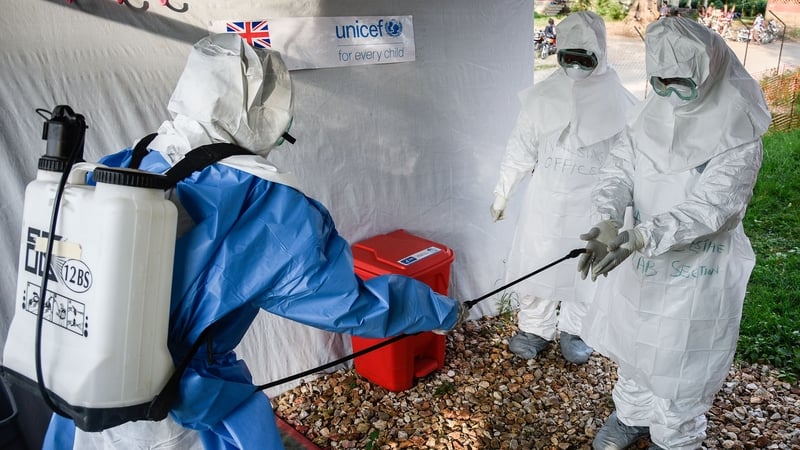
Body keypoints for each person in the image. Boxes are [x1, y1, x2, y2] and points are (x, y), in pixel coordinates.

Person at [42, 33, 467, 450]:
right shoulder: (265, 201)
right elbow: (345, 304)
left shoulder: (132, 159)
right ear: (263, 112)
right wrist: (440, 311)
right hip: (172, 410)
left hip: (83, 383)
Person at [577, 17, 770, 450]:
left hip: (697, 267)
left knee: (684, 360)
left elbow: (714, 207)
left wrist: (644, 236)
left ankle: (675, 438)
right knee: (633, 339)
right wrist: (607, 217)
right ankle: (632, 414)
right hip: (637, 257)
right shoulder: (651, 113)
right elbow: (619, 168)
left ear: (710, 71)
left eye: (680, 82)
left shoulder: (738, 131)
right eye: (659, 81)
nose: (669, 93)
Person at [490, 11, 637, 364]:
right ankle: (534, 328)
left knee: (586, 266)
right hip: (546, 201)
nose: (574, 66)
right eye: (567, 57)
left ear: (599, 53)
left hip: (594, 202)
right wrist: (503, 190)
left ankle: (577, 329)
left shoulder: (622, 104)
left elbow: (631, 161)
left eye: (582, 58)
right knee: (537, 260)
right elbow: (520, 146)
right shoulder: (544, 97)